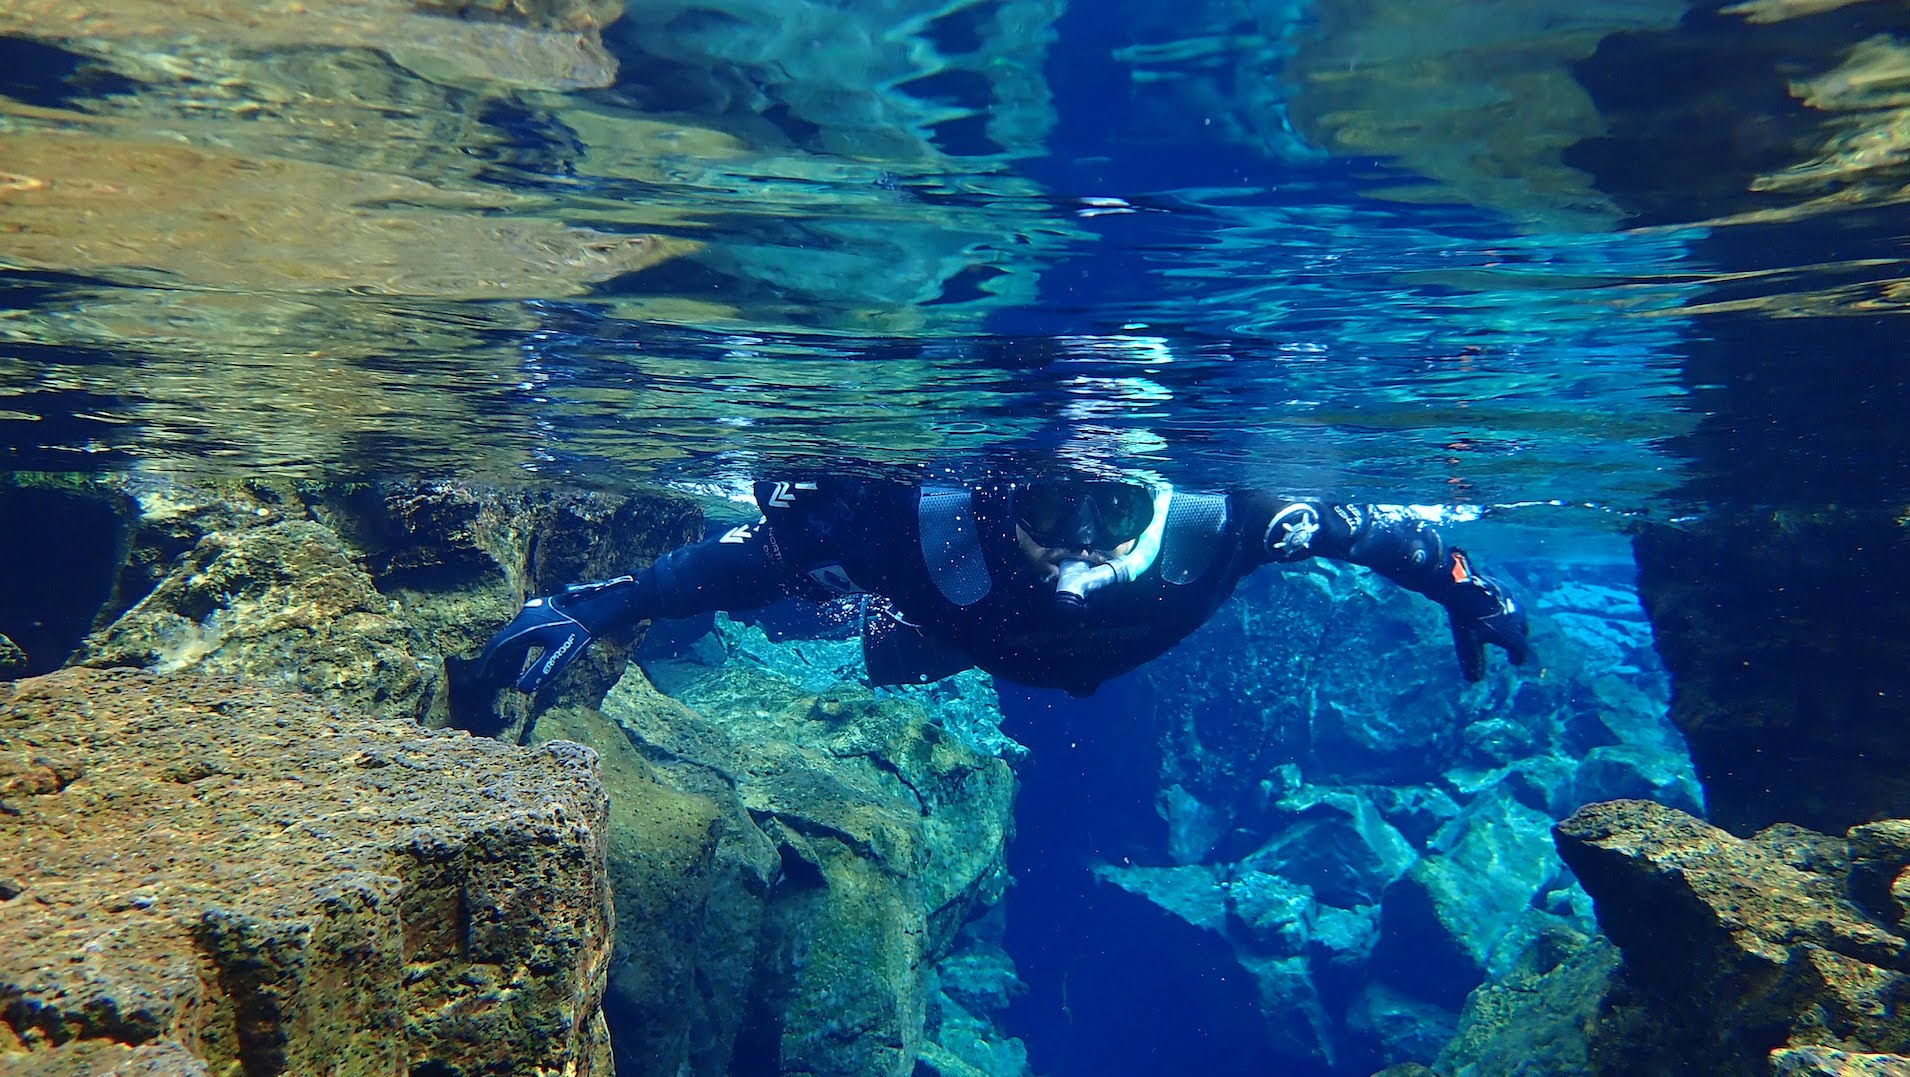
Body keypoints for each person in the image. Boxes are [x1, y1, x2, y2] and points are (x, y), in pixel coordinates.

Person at [450, 475, 1529, 727]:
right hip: (964, 636)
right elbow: (748, 558)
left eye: (1112, 510)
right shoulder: (907, 529)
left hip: (1020, 642)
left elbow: (1382, 535)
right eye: (1052, 507)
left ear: (1158, 494)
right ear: (996, 489)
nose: (1080, 543)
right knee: (892, 648)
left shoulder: (1234, 520)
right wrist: (602, 605)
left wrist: (1467, 594)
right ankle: (889, 635)